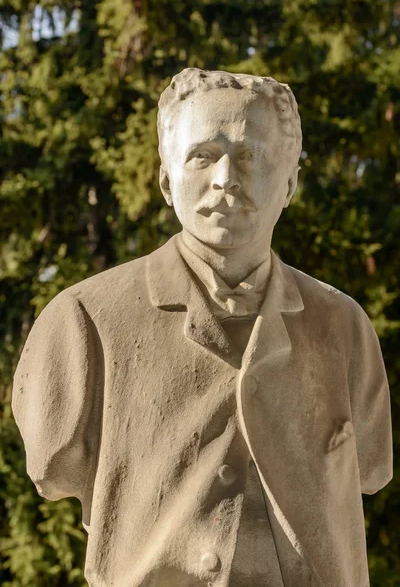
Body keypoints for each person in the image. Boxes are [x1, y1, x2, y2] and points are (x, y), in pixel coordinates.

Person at [13, 68, 392, 587]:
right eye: (202, 156)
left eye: (250, 155)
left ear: (289, 182)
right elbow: (53, 467)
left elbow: (371, 468)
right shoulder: (82, 322)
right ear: (167, 179)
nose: (225, 179)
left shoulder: (344, 328)